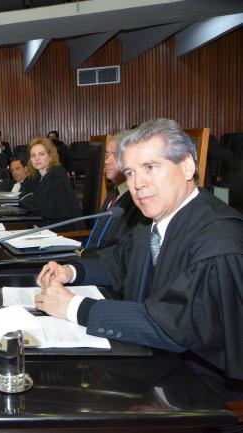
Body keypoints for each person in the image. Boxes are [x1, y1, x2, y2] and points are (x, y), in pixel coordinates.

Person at [35, 118, 243, 402]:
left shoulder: (218, 242)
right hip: (153, 359)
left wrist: (74, 307)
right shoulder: (154, 221)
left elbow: (175, 326)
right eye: (131, 172)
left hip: (205, 388)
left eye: (150, 167)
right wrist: (71, 271)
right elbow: (119, 261)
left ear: (187, 166)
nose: (137, 184)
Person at [84, 132, 146, 252]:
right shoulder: (113, 194)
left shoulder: (138, 201)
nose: (106, 161)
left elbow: (123, 251)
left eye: (116, 155)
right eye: (107, 155)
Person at [19, 137, 83, 230]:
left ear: (50, 156)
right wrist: (26, 198)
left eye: (41, 154)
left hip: (68, 233)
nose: (37, 158)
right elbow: (23, 194)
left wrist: (26, 198)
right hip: (52, 228)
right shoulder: (38, 175)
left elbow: (34, 204)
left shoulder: (56, 176)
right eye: (33, 155)